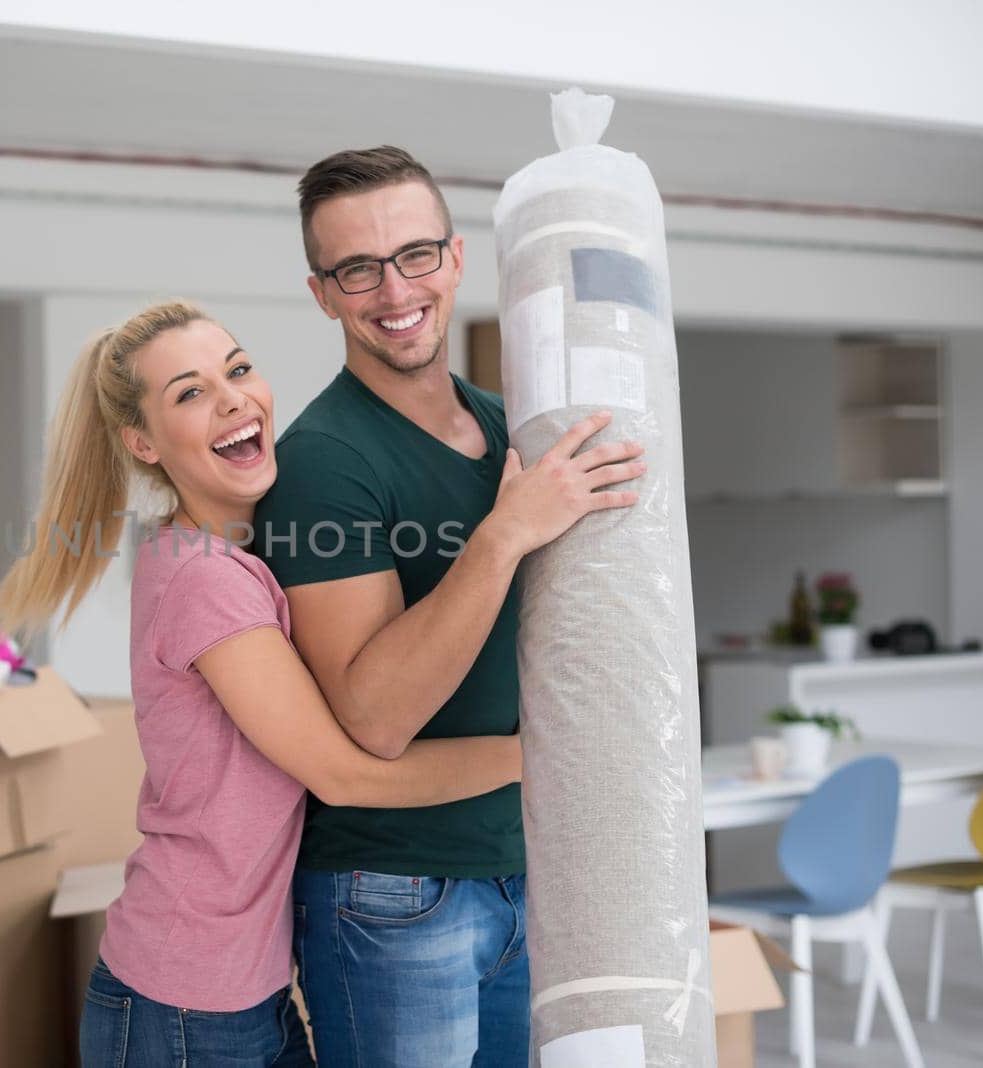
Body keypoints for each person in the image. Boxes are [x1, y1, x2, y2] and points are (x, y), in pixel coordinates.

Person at [0, 300, 527, 1067]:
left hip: (241, 989)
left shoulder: (247, 558)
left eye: (237, 370)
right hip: (183, 1003)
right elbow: (342, 774)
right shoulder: (203, 580)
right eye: (190, 392)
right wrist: (538, 757)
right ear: (142, 443)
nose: (233, 396)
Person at [252, 146, 646, 1066]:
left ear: (457, 258)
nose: (394, 290)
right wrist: (504, 534)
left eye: (415, 255)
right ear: (323, 293)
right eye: (357, 268)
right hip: (392, 891)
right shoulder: (324, 461)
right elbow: (375, 717)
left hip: (523, 865)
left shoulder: (513, 428)